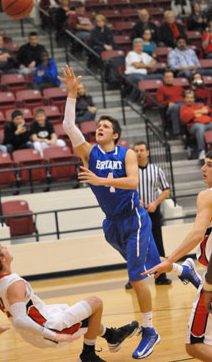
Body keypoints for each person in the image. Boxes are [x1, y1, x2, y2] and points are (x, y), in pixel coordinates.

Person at [60, 65, 163, 359]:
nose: (99, 128)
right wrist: (71, 95)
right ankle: (187, 269)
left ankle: (149, 330)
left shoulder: (127, 153)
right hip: (112, 226)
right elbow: (69, 127)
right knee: (154, 266)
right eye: (98, 126)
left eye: (105, 126)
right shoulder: (90, 153)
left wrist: (101, 179)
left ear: (115, 134)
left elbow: (133, 182)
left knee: (137, 274)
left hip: (135, 220)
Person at [0, 241, 139, 362]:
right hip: (47, 329)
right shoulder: (14, 283)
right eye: (3, 247)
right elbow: (20, 320)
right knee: (95, 303)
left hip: (35, 327)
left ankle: (112, 336)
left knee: (87, 317)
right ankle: (88, 355)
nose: (6, 248)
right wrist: (55, 336)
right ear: (2, 258)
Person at [143, 150, 212, 362]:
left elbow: (197, 233)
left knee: (195, 345)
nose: (203, 168)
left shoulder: (207, 196)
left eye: (209, 164)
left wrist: (170, 260)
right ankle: (186, 271)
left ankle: (185, 270)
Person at [132, 141, 171, 287]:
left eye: (142, 150)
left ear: (147, 152)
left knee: (157, 244)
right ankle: (133, 278)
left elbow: (166, 190)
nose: (139, 153)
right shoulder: (130, 172)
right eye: (136, 150)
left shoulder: (156, 170)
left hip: (153, 212)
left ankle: (160, 277)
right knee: (134, 246)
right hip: (135, 213)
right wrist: (136, 201)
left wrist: (155, 203)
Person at [125, 38, 163, 102]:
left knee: (160, 77)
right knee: (140, 80)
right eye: (138, 46)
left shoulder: (144, 54)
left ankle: (158, 98)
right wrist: (148, 65)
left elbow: (153, 60)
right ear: (134, 47)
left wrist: (152, 63)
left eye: (141, 46)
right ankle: (133, 99)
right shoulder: (131, 54)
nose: (140, 48)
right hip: (132, 75)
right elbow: (136, 65)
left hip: (144, 75)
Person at [180, 90, 212, 162]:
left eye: (191, 98)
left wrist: (194, 113)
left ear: (194, 99)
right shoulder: (183, 108)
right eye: (188, 98)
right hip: (194, 125)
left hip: (208, 122)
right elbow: (185, 118)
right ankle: (202, 151)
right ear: (184, 99)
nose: (190, 99)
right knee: (199, 128)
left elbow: (208, 110)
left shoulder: (199, 105)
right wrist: (200, 111)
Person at [156, 70, 185, 138]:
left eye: (171, 77)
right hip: (169, 109)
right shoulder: (161, 88)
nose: (169, 79)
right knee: (175, 107)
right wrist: (168, 103)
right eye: (167, 77)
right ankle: (177, 133)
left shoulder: (179, 87)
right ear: (164, 78)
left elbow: (187, 97)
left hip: (182, 105)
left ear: (173, 78)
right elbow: (160, 102)